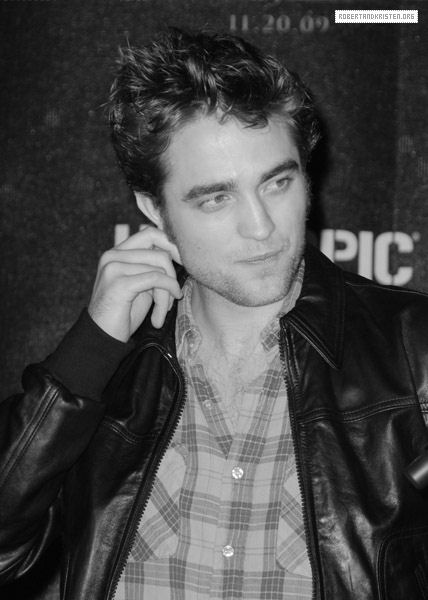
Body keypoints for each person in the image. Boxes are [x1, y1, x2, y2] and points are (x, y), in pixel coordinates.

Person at [1, 28, 428, 600]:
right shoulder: (109, 373)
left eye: (278, 182)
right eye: (216, 198)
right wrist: (88, 353)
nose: (261, 227)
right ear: (154, 210)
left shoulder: (412, 350)